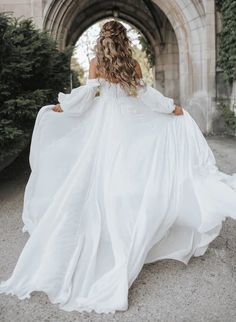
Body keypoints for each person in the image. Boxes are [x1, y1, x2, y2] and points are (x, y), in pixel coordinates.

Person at [0, 20, 236, 314]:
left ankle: (109, 231)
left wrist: (61, 108)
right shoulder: (133, 65)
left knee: (99, 177)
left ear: (103, 41)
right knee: (128, 174)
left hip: (104, 124)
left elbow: (87, 96)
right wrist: (171, 109)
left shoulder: (96, 63)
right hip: (129, 122)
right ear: (123, 40)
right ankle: (125, 227)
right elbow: (146, 96)